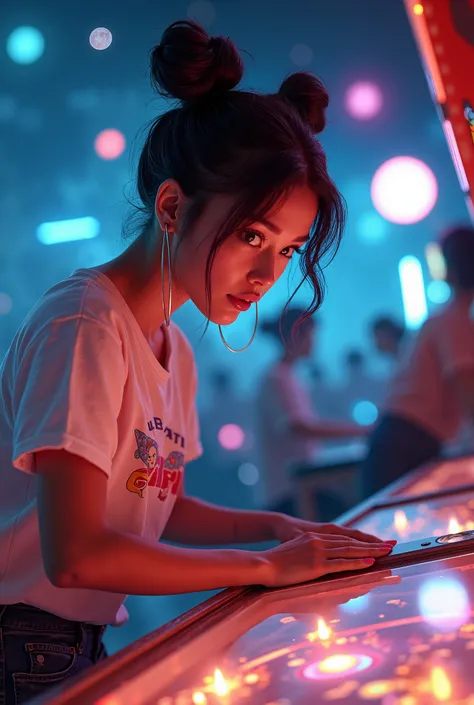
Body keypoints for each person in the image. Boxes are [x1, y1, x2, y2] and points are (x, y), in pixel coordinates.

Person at [0, 20, 395, 702]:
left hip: (68, 637)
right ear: (173, 205)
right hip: (19, 638)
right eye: (252, 235)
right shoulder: (85, 323)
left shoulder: (173, 345)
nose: (268, 272)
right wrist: (267, 563)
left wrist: (279, 527)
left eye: (289, 249)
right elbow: (78, 554)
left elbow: (160, 504)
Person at [361, 225, 474, 497]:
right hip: (406, 444)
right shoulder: (454, 321)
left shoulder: (447, 318)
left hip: (400, 440)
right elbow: (469, 396)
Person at [256, 308, 371, 516]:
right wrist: (361, 431)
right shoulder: (276, 379)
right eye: (311, 336)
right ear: (296, 335)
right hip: (290, 491)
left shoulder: (289, 376)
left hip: (303, 485)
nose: (314, 343)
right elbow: (299, 427)